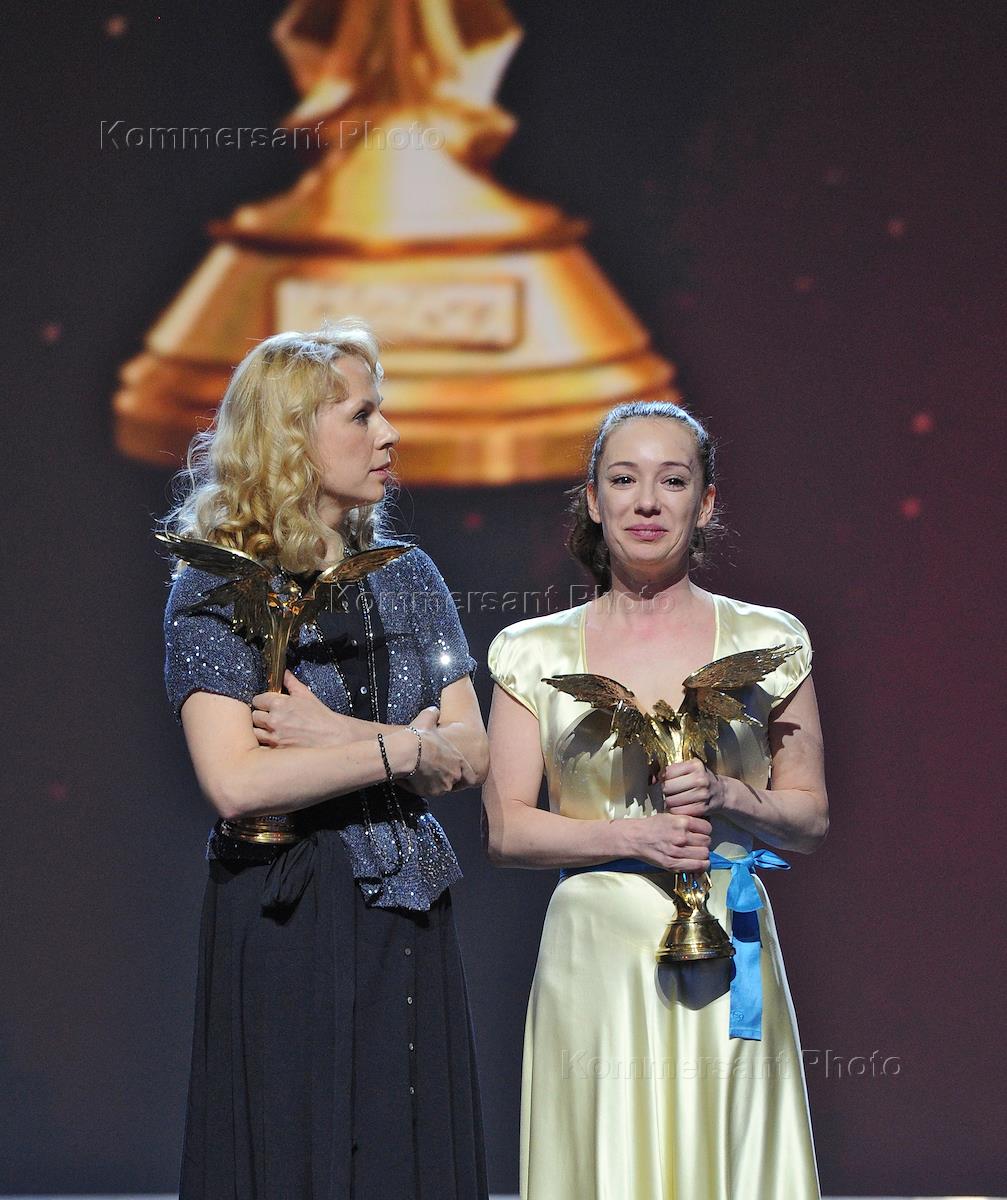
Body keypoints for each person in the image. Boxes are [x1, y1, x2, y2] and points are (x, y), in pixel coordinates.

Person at [160, 319, 489, 1200]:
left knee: (402, 1152)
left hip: (408, 902)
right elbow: (238, 781)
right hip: (289, 904)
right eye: (362, 415)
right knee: (300, 1151)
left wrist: (342, 737)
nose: (389, 434)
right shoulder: (218, 584)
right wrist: (405, 749)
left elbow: (471, 750)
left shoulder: (407, 574)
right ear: (290, 437)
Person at [482, 400, 828, 1199]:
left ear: (703, 503)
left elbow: (808, 818)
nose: (646, 502)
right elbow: (505, 830)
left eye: (671, 481)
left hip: (726, 944)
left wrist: (728, 793)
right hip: (595, 956)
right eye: (623, 480)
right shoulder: (531, 651)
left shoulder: (768, 641)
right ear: (592, 500)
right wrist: (632, 838)